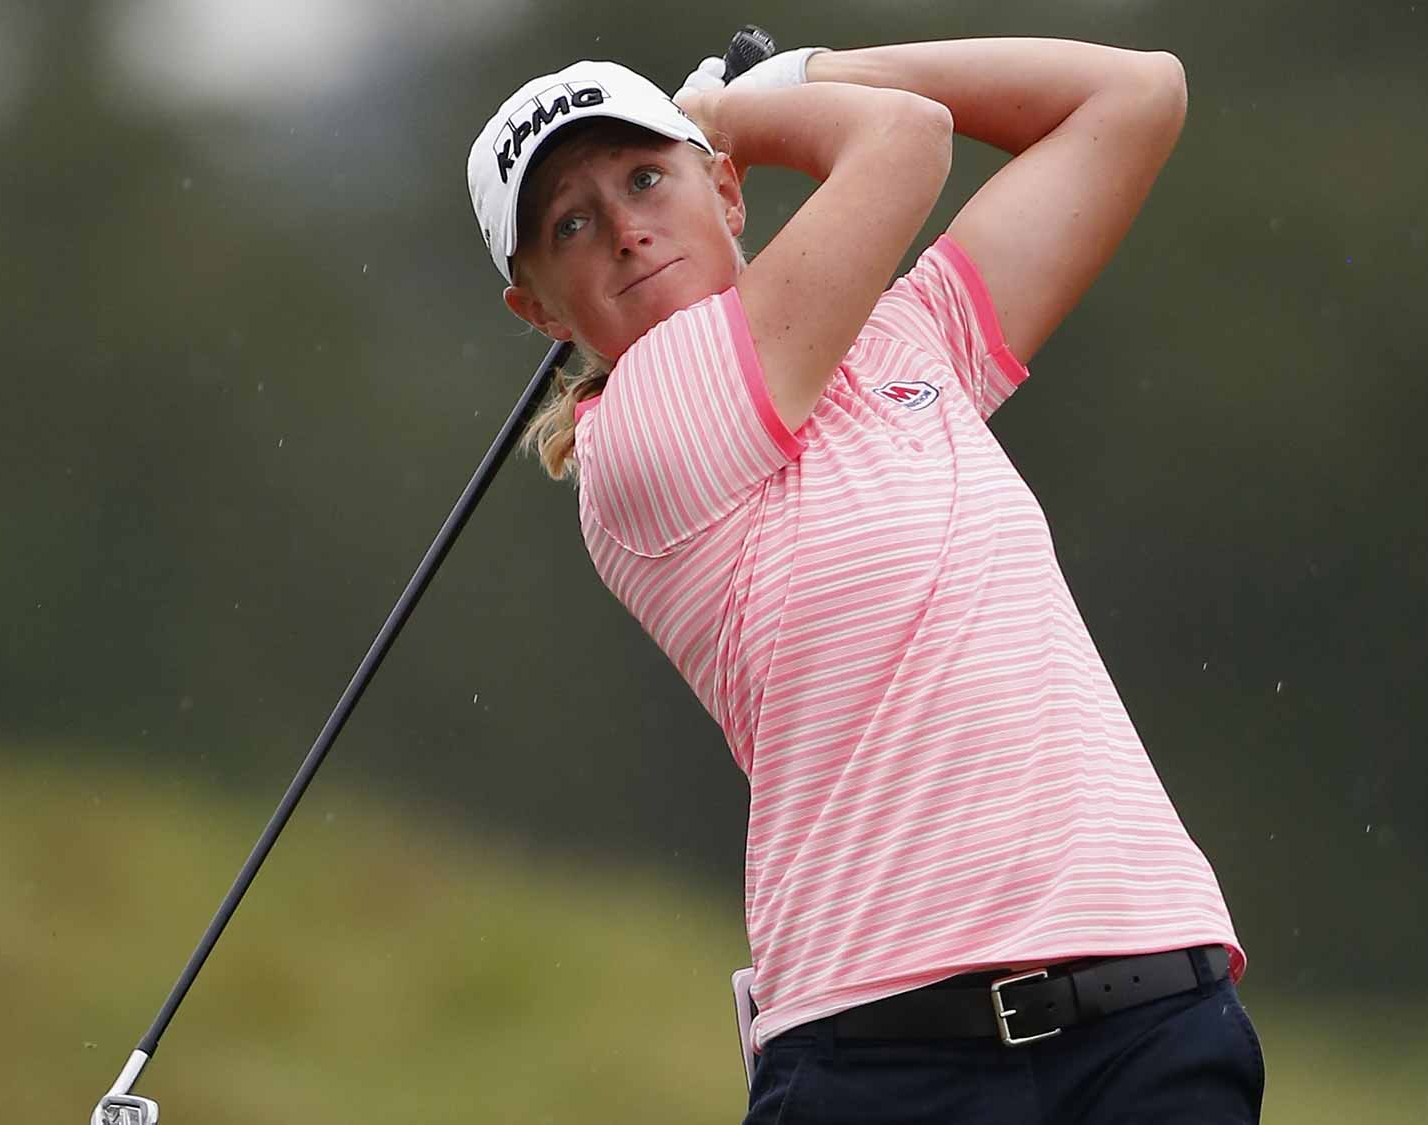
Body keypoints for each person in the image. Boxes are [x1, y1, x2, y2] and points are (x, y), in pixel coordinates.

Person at [464, 35, 1262, 1125]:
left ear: (727, 196)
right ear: (541, 315)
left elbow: (1131, 96)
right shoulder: (638, 439)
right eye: (568, 223)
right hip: (888, 1060)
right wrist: (740, 108)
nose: (622, 228)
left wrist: (804, 70)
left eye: (645, 176)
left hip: (1146, 1012)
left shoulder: (908, 341)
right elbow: (906, 138)